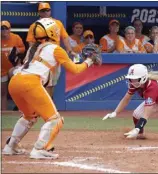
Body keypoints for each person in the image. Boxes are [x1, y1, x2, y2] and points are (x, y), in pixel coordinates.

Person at [2, 18, 101, 159]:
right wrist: (89, 61)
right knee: (55, 119)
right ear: (52, 32)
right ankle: (39, 149)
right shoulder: (56, 49)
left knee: (29, 116)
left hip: (16, 82)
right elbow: (75, 69)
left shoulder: (33, 48)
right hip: (30, 82)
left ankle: (10, 146)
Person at [26, 2, 75, 97]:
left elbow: (64, 37)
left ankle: (48, 106)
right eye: (43, 11)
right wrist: (33, 56)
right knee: (40, 82)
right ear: (39, 12)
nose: (45, 13)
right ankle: (43, 107)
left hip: (54, 55)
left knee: (52, 83)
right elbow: (31, 43)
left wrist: (69, 49)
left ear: (50, 11)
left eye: (47, 10)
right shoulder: (35, 25)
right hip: (41, 57)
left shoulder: (57, 23)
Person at [1, 20, 25, 110]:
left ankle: (21, 110)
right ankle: (4, 113)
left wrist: (18, 50)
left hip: (13, 68)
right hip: (2, 69)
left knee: (18, 90)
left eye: (6, 28)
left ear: (9, 29)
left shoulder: (16, 37)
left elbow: (23, 48)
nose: (4, 31)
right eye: (2, 29)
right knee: (3, 92)